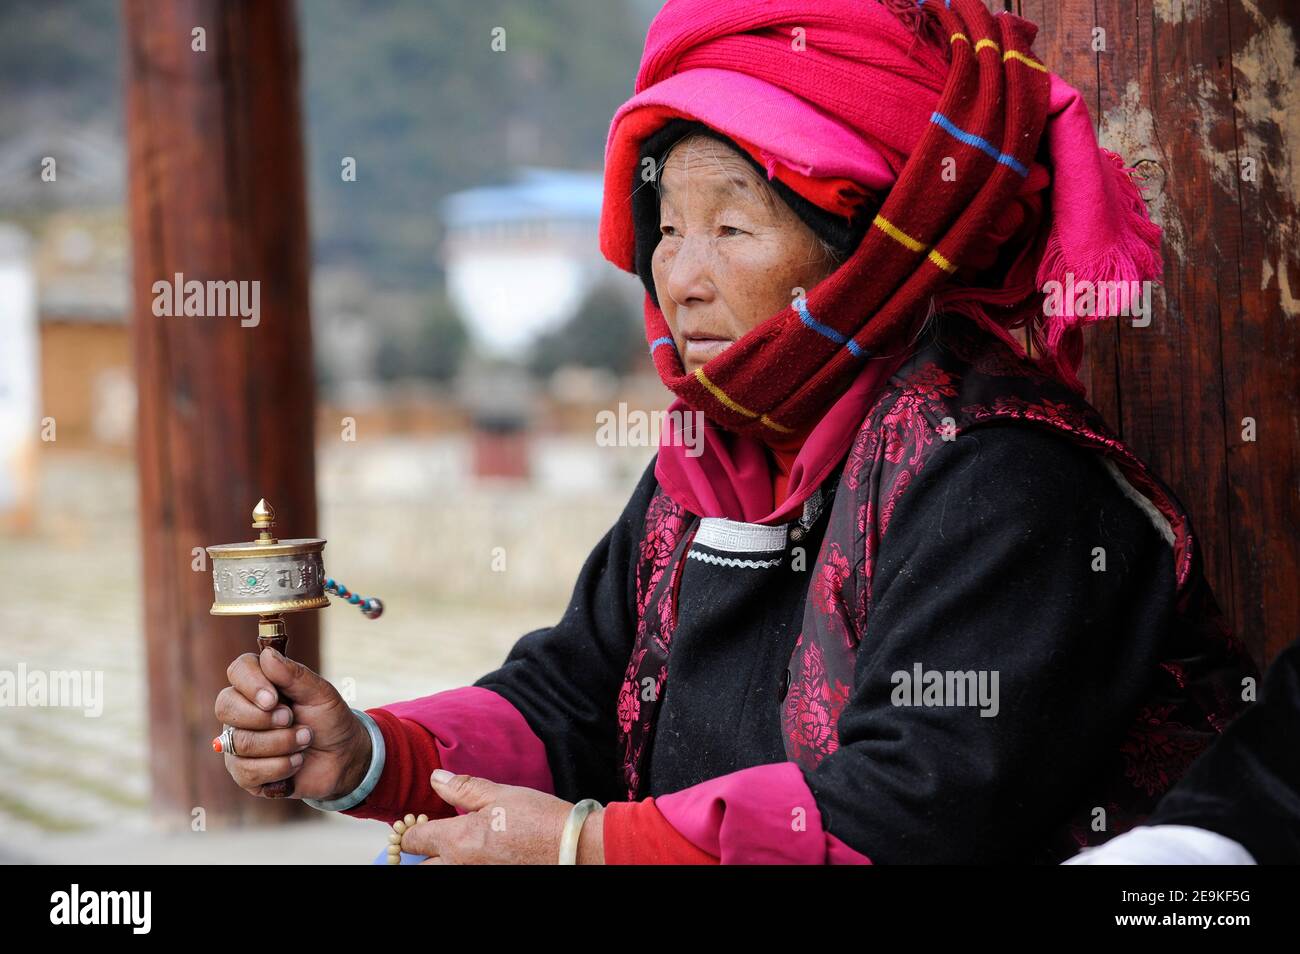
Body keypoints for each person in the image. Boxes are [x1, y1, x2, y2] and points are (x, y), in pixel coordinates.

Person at [214, 0, 1258, 864]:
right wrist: (365, 754)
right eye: (666, 227)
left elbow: (914, 810)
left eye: (730, 226)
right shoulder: (710, 462)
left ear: (867, 252)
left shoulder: (1001, 473)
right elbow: (576, 694)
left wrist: (591, 848)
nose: (682, 275)